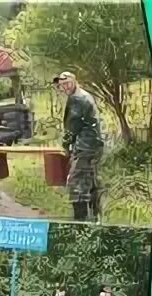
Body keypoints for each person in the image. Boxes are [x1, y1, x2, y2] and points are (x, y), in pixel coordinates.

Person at [53, 71, 104, 221]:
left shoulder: (78, 99)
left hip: (86, 146)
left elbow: (73, 126)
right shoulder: (82, 95)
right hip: (93, 144)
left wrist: (66, 144)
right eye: (62, 85)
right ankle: (95, 218)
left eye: (67, 83)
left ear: (75, 81)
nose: (65, 87)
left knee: (76, 183)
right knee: (91, 181)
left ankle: (80, 223)